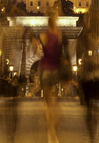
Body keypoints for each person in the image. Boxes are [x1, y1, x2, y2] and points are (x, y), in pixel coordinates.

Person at [32, 14, 62, 143]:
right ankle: (54, 125)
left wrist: (35, 45)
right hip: (56, 71)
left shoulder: (43, 36)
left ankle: (50, 129)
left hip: (45, 70)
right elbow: (62, 53)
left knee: (48, 103)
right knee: (54, 100)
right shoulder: (59, 34)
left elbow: (40, 52)